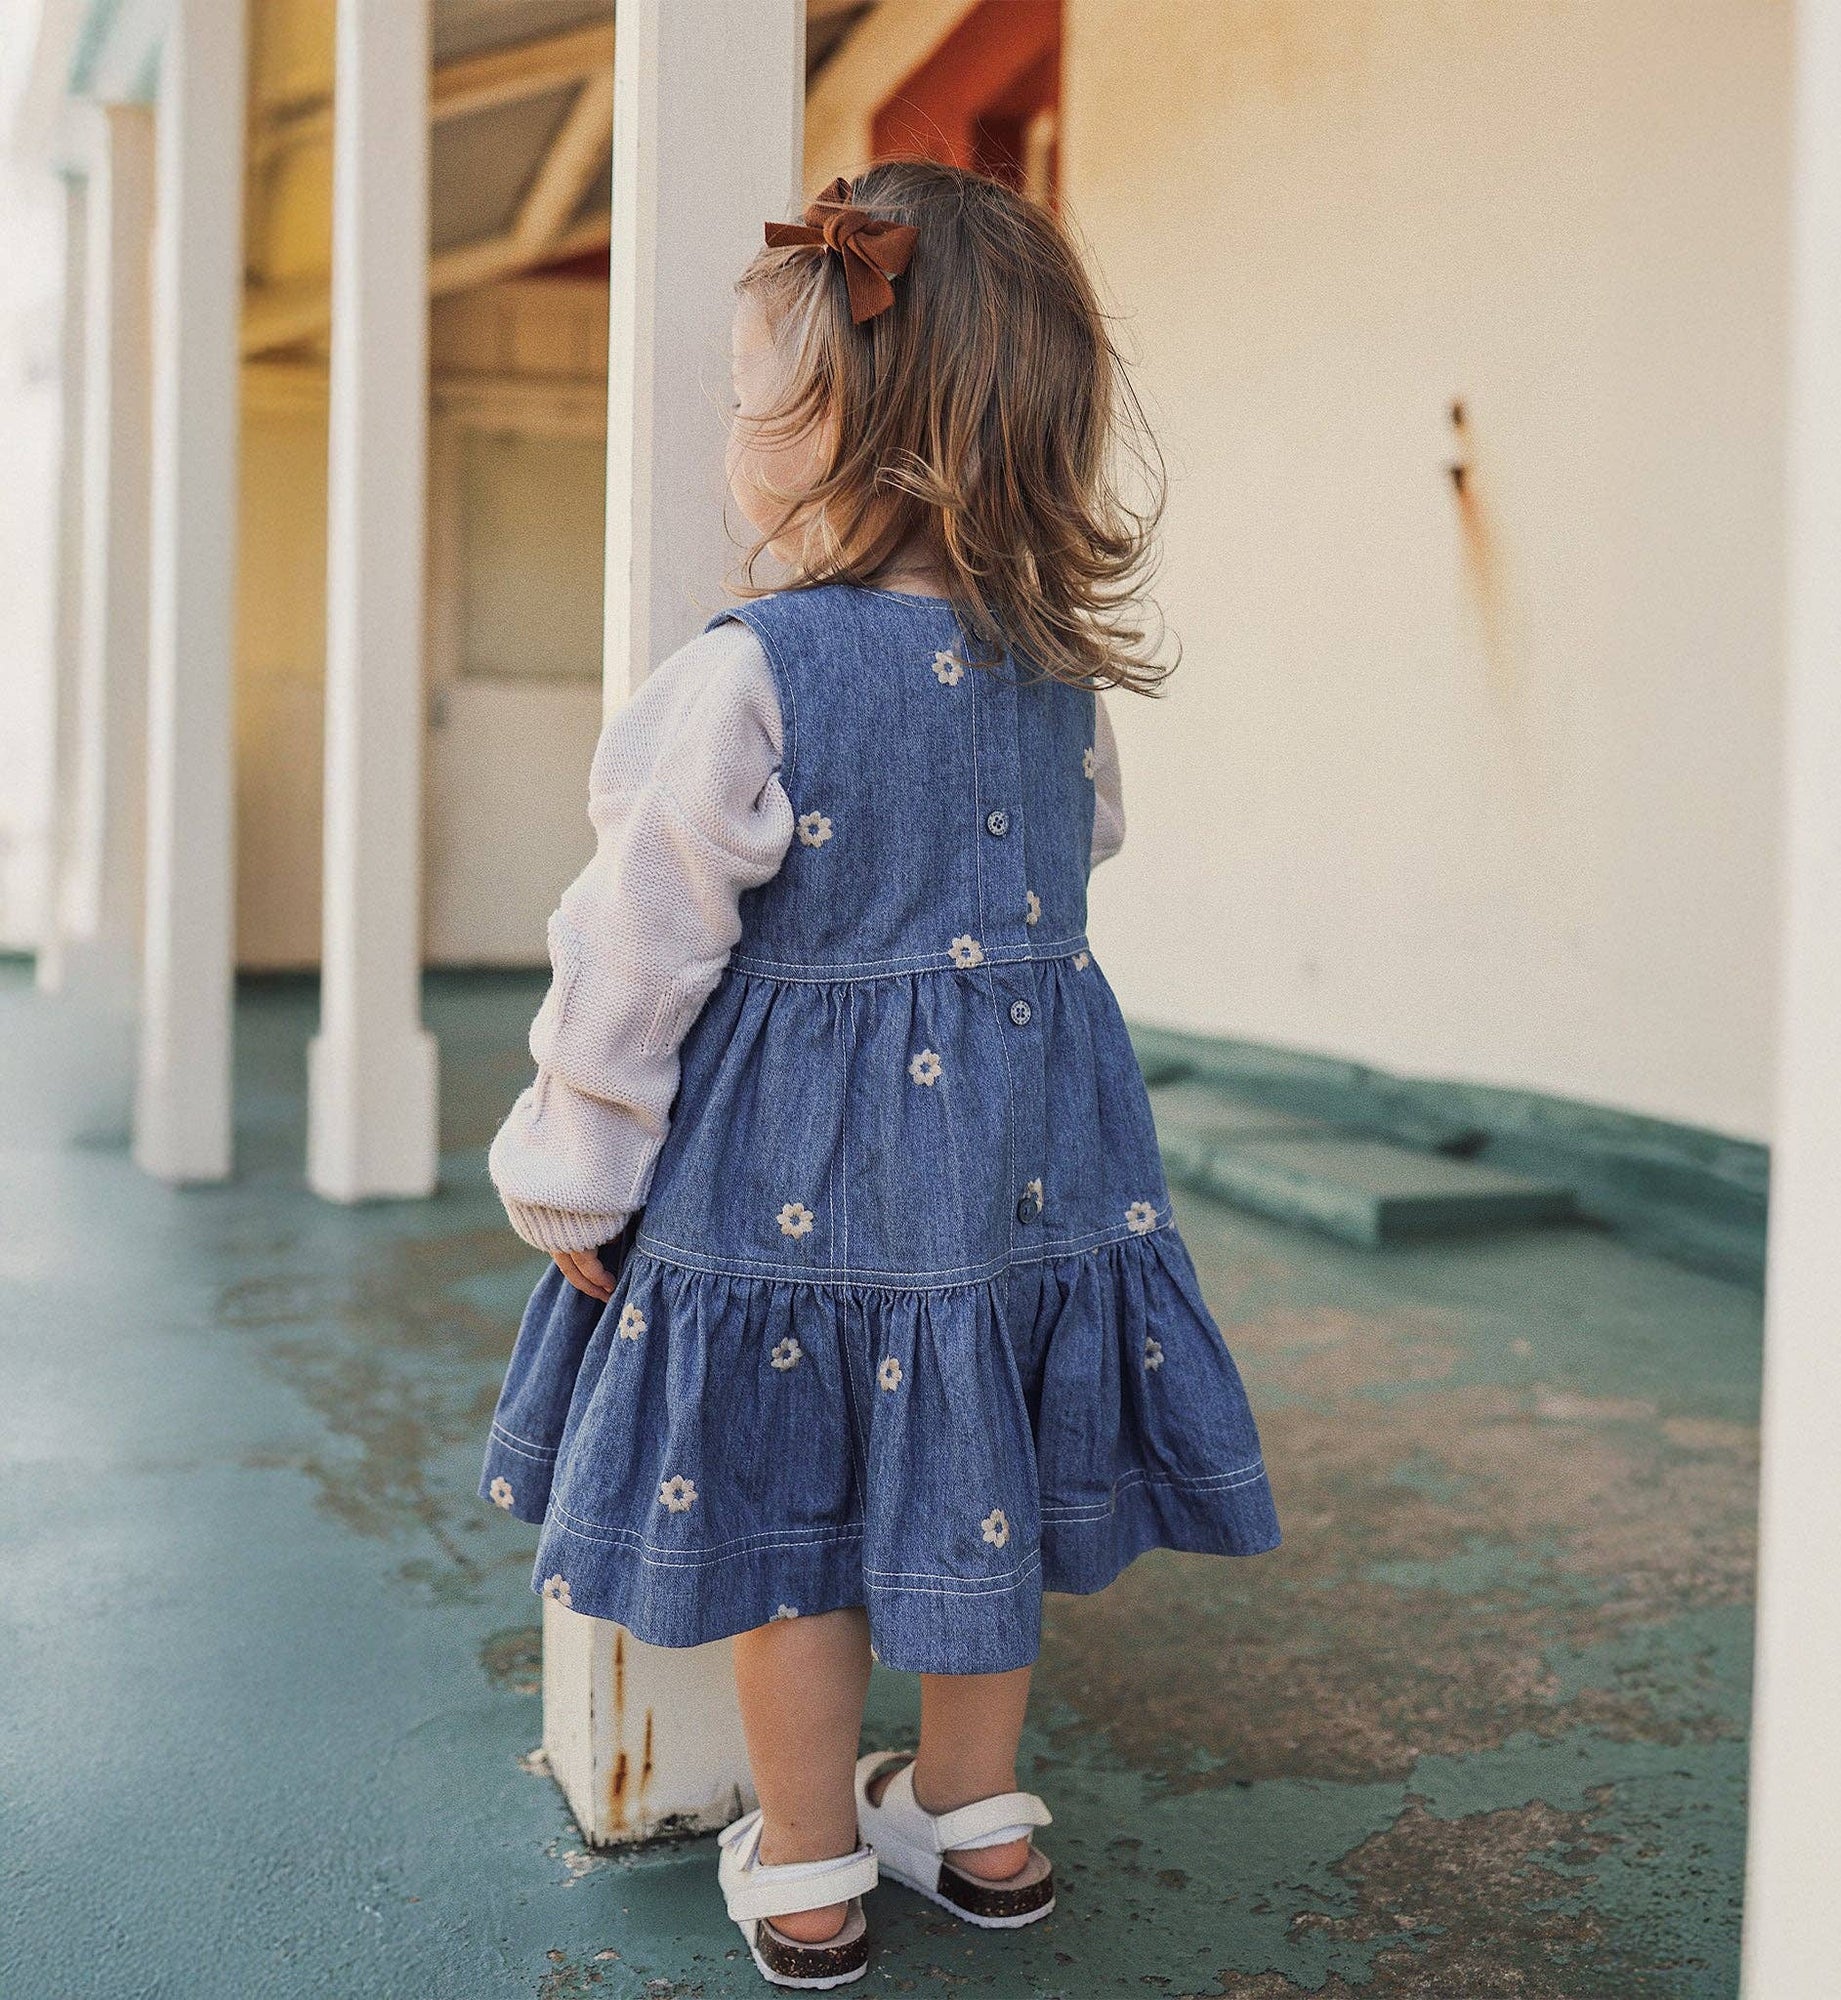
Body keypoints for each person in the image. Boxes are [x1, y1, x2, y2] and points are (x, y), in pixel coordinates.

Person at [479, 160, 1279, 1991]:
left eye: (753, 412)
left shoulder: (748, 676)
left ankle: (818, 1863)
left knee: (796, 1525)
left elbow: (639, 941)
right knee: (970, 1460)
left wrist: (575, 1161)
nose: (731, 449)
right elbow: (1075, 858)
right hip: (1016, 1176)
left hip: (801, 1183)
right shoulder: (1053, 674)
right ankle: (980, 1820)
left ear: (857, 436)